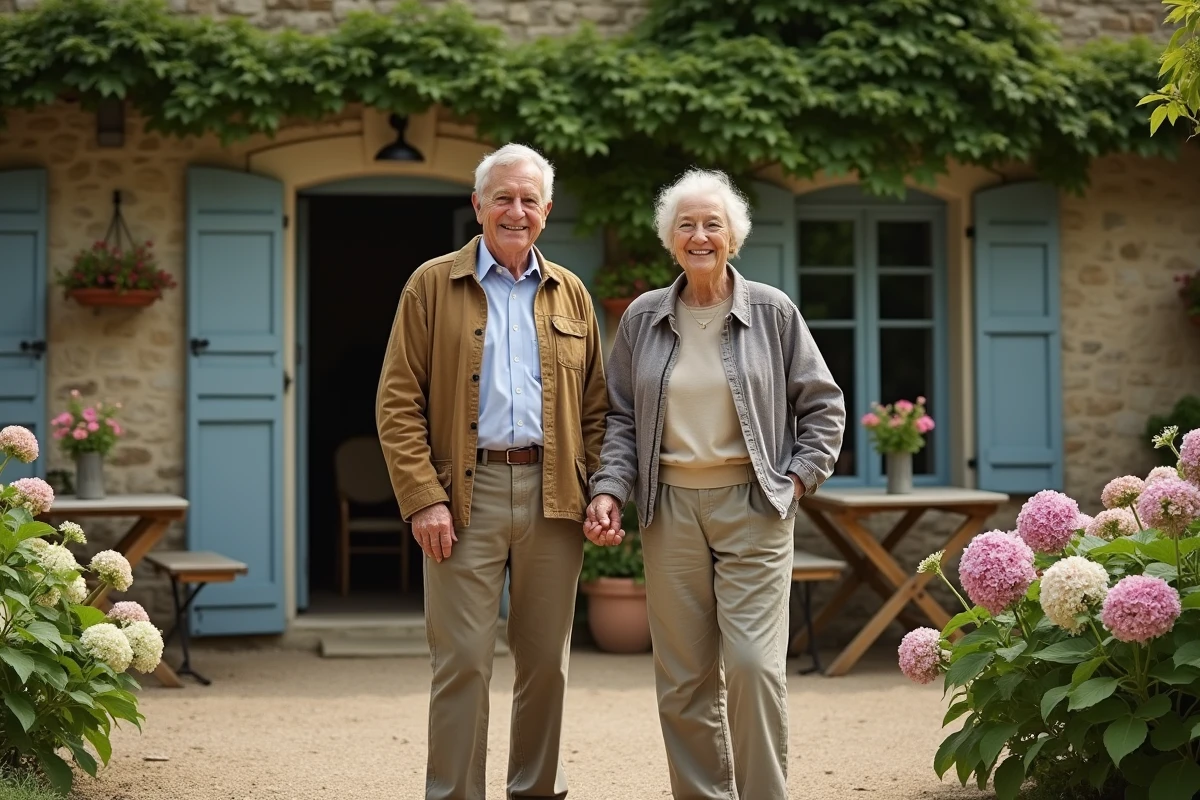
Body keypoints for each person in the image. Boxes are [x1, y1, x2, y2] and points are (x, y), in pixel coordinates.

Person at [585, 169, 845, 799]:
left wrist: (799, 479)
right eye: (686, 225)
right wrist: (608, 489)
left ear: (734, 236)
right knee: (683, 679)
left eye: (712, 224)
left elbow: (823, 404)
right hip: (668, 507)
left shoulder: (773, 312)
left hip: (753, 503)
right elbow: (620, 417)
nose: (699, 235)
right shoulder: (645, 317)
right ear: (670, 239)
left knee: (754, 668)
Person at [376, 142, 608, 800]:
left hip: (553, 496)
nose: (515, 210)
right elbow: (396, 401)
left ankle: (537, 791)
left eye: (528, 199)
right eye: (502, 197)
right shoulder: (430, 285)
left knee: (545, 664)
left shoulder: (573, 294)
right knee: (462, 663)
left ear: (547, 211)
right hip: (461, 497)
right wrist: (424, 499)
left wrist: (601, 490)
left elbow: (597, 408)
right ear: (477, 206)